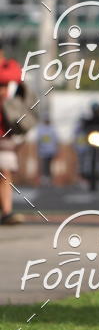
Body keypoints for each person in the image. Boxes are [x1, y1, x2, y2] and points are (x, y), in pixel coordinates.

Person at [0, 44, 25, 225]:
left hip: (4, 131)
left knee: (5, 171)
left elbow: (15, 75)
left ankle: (7, 212)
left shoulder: (10, 66)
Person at [36, 113, 59, 185]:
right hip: (43, 150)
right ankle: (45, 177)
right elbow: (38, 140)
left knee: (49, 165)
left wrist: (57, 150)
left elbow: (56, 140)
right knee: (44, 164)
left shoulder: (52, 128)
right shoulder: (41, 128)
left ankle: (49, 177)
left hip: (51, 150)